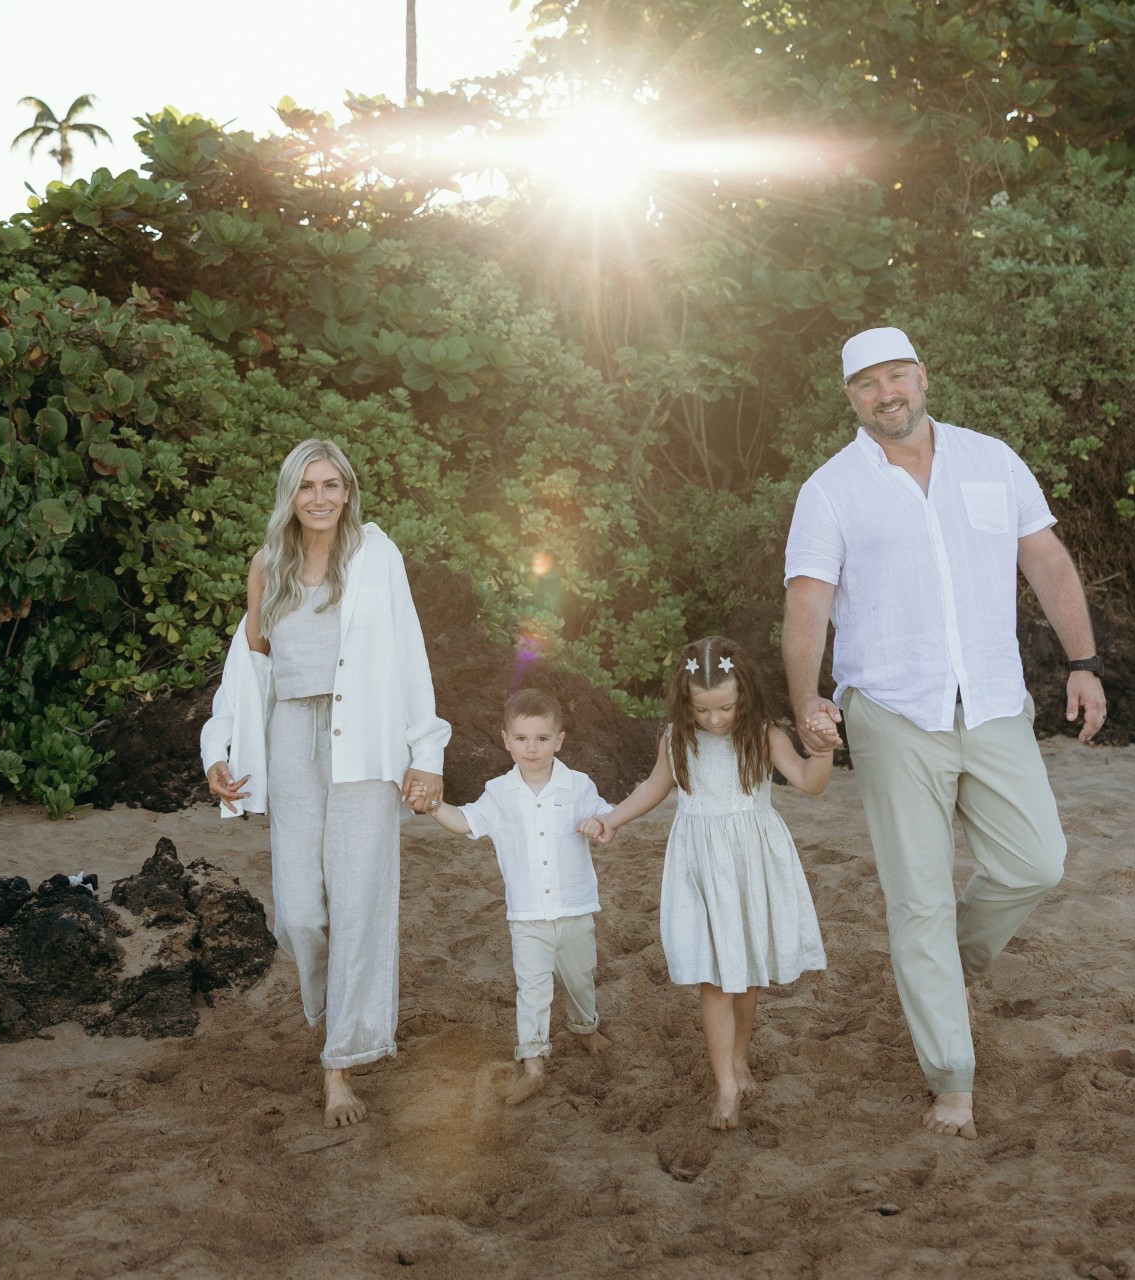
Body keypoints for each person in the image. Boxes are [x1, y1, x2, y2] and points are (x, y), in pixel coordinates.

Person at [782, 325, 1107, 1142]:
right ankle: (950, 1078)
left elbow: (1046, 562)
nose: (885, 394)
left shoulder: (991, 459)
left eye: (896, 376)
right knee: (917, 900)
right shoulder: (829, 489)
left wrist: (1082, 662)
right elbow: (807, 601)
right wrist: (806, 700)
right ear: (850, 398)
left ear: (922, 377)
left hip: (992, 701)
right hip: (891, 711)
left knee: (1036, 861)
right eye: (867, 384)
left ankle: (943, 968)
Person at [200, 436, 449, 1129]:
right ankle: (333, 1007)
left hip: (363, 744)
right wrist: (218, 746)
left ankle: (339, 1063)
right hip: (291, 742)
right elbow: (249, 666)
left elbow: (409, 654)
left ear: (348, 492)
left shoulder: (376, 555)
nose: (319, 498)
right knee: (300, 914)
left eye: (331, 485)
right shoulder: (267, 564)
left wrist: (425, 752)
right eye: (307, 486)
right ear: (290, 494)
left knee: (359, 905)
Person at [580, 636, 831, 1130]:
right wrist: (613, 819)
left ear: (745, 696)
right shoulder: (677, 739)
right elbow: (654, 786)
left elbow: (810, 781)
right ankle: (725, 1087)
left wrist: (821, 750)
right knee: (715, 978)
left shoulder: (764, 735)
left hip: (751, 865)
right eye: (702, 709)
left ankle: (739, 1059)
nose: (715, 720)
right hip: (700, 868)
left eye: (726, 707)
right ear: (685, 700)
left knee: (749, 974)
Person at [429, 687, 613, 1099]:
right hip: (528, 917)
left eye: (542, 738)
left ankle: (585, 1028)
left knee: (581, 980)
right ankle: (533, 1063)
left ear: (559, 740)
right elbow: (466, 822)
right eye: (522, 738)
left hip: (575, 909)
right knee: (532, 990)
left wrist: (600, 824)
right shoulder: (499, 792)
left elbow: (607, 815)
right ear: (506, 740)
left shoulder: (578, 786)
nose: (532, 748)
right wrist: (435, 807)